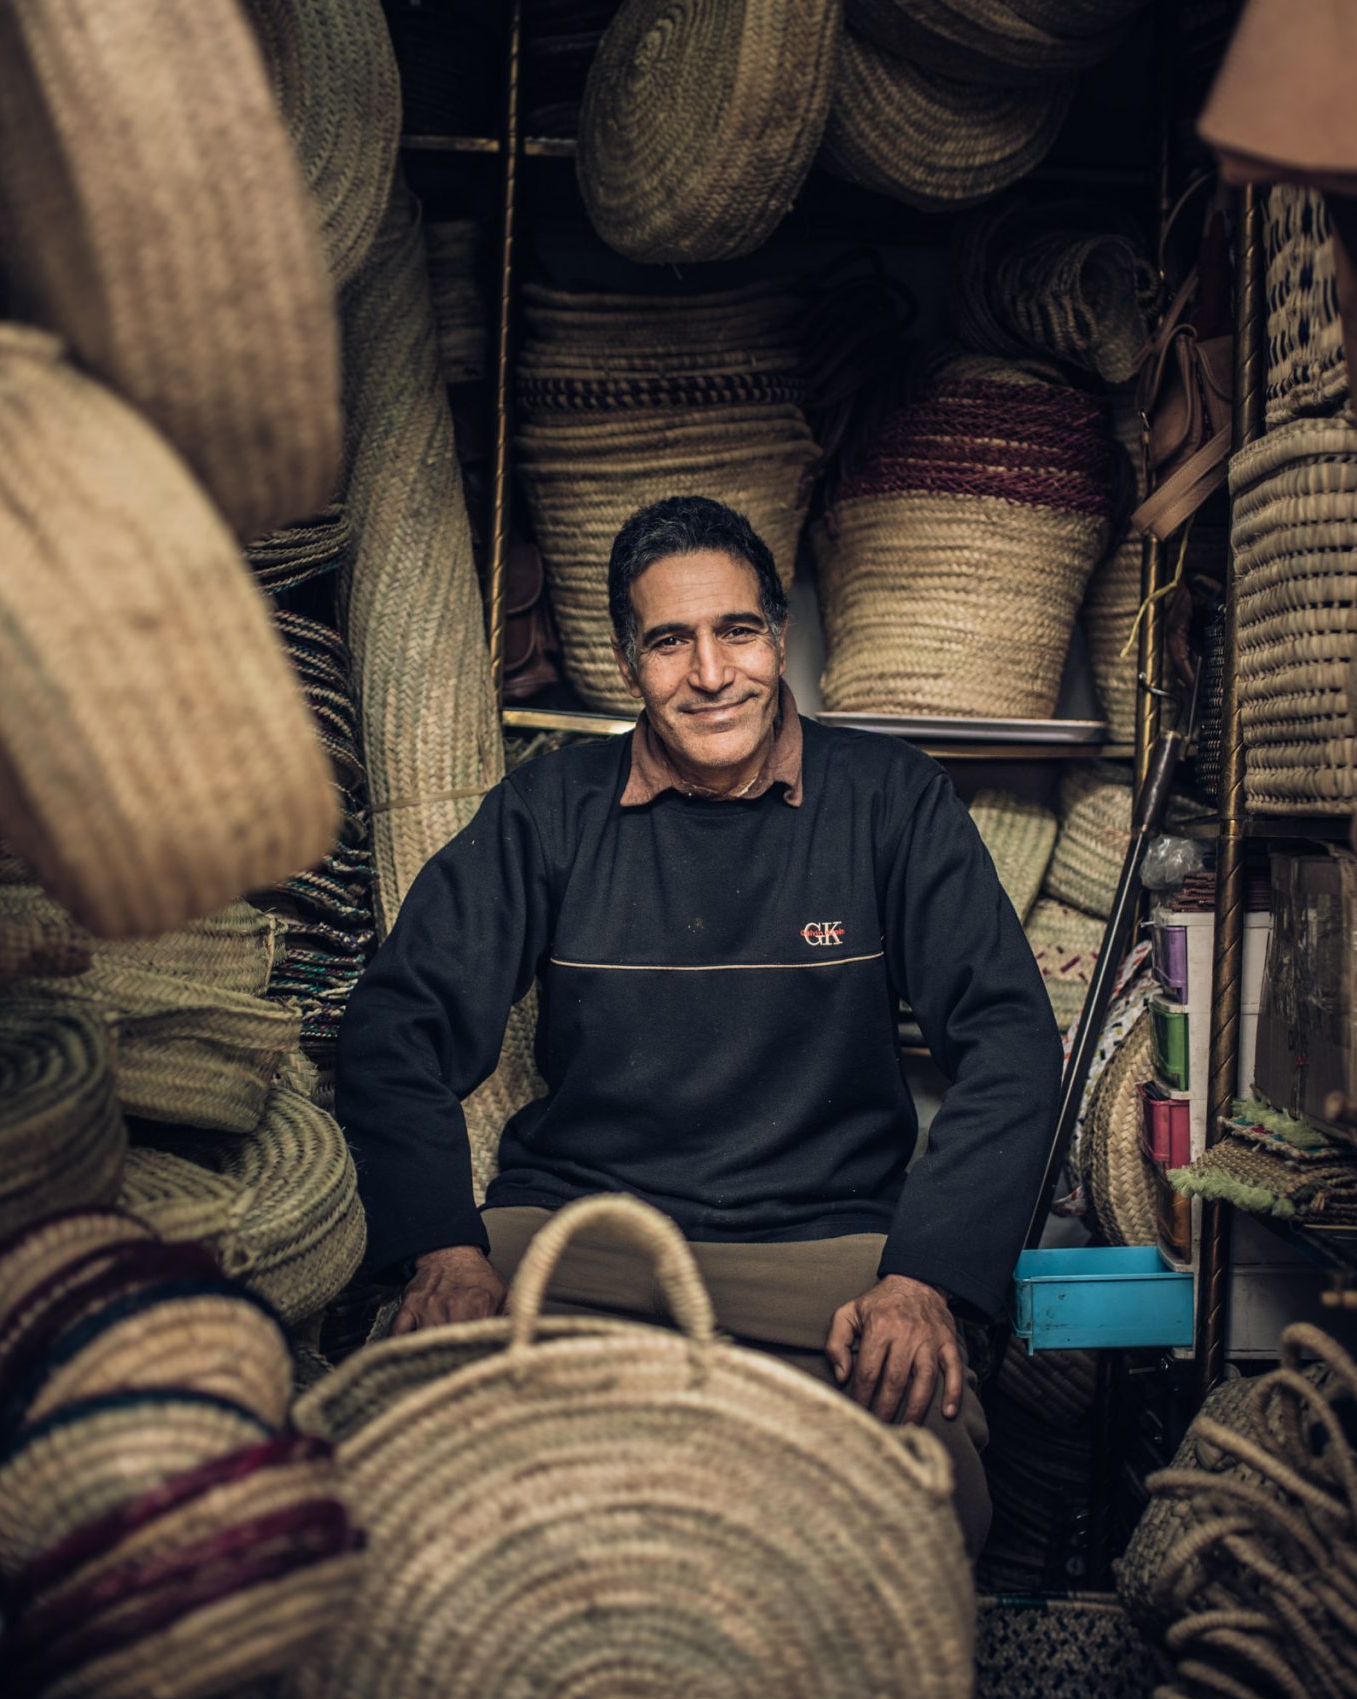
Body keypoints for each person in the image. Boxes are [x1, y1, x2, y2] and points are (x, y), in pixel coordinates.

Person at [336, 495, 1062, 1554]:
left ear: (779, 635)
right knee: (405, 1465)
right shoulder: (550, 809)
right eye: (670, 641)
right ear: (629, 665)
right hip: (577, 1235)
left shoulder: (889, 799)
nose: (712, 673)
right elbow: (396, 1021)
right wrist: (443, 1246)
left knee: (925, 1495)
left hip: (826, 1250)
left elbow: (1007, 1037)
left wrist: (923, 1278)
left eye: (737, 631)